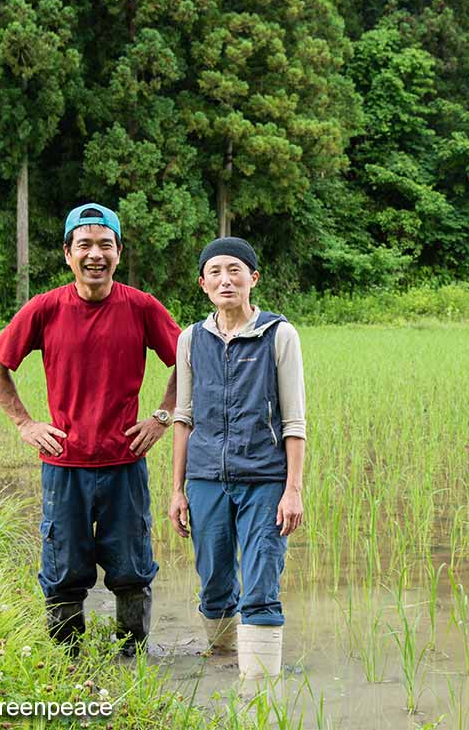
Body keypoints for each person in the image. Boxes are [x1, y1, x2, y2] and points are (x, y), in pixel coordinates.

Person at [0, 203, 180, 656]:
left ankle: (133, 657)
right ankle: (67, 662)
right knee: (64, 568)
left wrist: (162, 416)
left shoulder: (141, 306)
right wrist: (25, 423)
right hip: (64, 466)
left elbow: (188, 362)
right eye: (85, 245)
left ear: (118, 251)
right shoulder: (46, 308)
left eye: (105, 245)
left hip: (124, 464)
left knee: (131, 567)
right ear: (67, 254)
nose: (96, 254)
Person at [167, 237, 306, 682]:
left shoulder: (278, 334)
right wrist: (176, 490)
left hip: (264, 478)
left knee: (262, 581)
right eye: (215, 272)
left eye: (235, 270)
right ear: (203, 283)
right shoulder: (191, 339)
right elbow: (183, 417)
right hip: (206, 477)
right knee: (213, 582)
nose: (225, 279)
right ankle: (224, 660)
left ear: (253, 278)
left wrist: (293, 489)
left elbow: (294, 420)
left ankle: (260, 691)